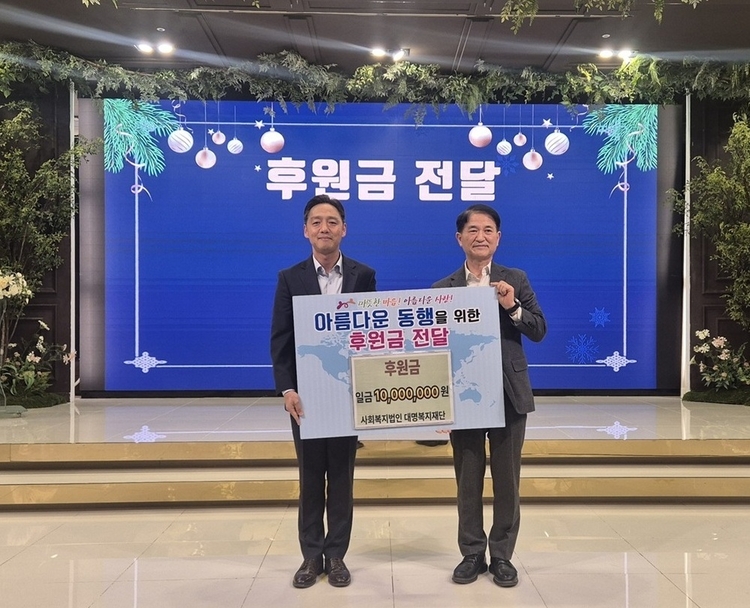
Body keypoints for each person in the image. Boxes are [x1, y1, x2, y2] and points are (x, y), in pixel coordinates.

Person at [434, 204, 546, 588]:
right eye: (473, 230)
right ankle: (471, 553)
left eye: (488, 230)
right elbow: (434, 350)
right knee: (467, 479)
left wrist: (512, 306)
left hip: (508, 393)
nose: (480, 236)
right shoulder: (442, 290)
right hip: (464, 397)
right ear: (459, 238)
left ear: (498, 238)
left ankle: (502, 555)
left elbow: (539, 329)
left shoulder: (515, 279)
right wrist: (439, 406)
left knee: (507, 480)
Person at [270, 194, 377, 589]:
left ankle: (336, 556)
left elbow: (371, 336)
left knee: (343, 478)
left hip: (348, 395)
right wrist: (287, 388)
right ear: (306, 231)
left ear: (344, 229)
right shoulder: (290, 278)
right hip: (307, 398)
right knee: (311, 478)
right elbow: (281, 339)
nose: (324, 228)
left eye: (332, 221)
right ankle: (311, 556)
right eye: (316, 222)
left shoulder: (364, 276)